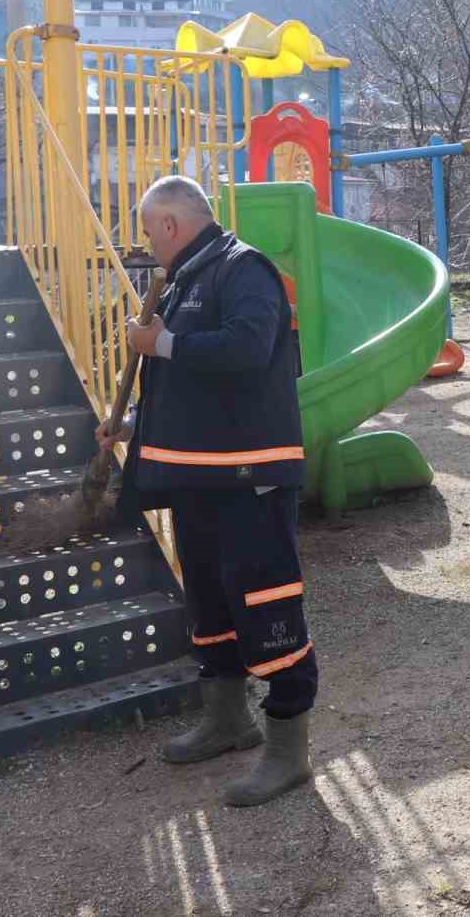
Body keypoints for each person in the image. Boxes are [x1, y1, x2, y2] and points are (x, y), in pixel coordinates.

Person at [101, 174, 316, 807]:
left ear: (170, 224)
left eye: (148, 231)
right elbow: (195, 390)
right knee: (212, 603)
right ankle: (228, 719)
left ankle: (288, 751)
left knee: (265, 603)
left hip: (248, 477)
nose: (149, 244)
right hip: (198, 478)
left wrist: (161, 343)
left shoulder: (241, 269)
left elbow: (247, 352)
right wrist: (133, 424)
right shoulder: (184, 278)